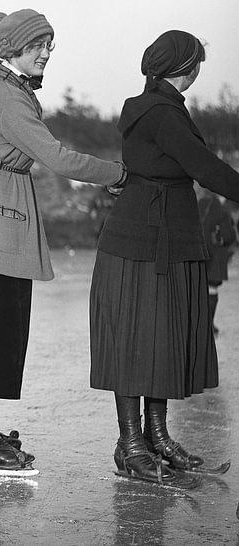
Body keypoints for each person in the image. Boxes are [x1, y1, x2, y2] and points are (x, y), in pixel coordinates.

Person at [0, 10, 126, 473]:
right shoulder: (5, 95)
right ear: (11, 50)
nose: (45, 53)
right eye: (37, 45)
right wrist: (119, 173)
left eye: (49, 45)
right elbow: (56, 157)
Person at [90, 30, 239, 486]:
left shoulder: (159, 106)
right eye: (196, 63)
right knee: (137, 337)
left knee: (160, 337)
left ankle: (155, 436)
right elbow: (205, 167)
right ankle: (131, 443)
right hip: (144, 240)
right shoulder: (161, 111)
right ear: (183, 66)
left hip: (163, 235)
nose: (197, 72)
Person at [197, 187, 236, 335]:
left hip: (200, 253)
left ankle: (200, 325)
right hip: (216, 256)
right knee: (212, 289)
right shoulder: (222, 210)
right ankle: (210, 325)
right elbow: (228, 236)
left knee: (199, 290)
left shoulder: (198, 205)